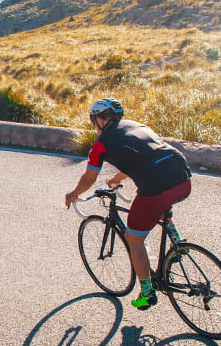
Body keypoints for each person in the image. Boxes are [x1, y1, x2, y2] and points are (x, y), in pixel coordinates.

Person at [65, 98, 192, 310]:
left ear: (98, 120)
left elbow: (89, 179)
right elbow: (144, 157)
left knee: (134, 238)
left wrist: (74, 193)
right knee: (154, 207)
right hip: (183, 176)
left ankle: (146, 293)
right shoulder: (137, 126)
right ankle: (177, 244)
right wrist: (116, 180)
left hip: (157, 187)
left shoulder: (101, 144)